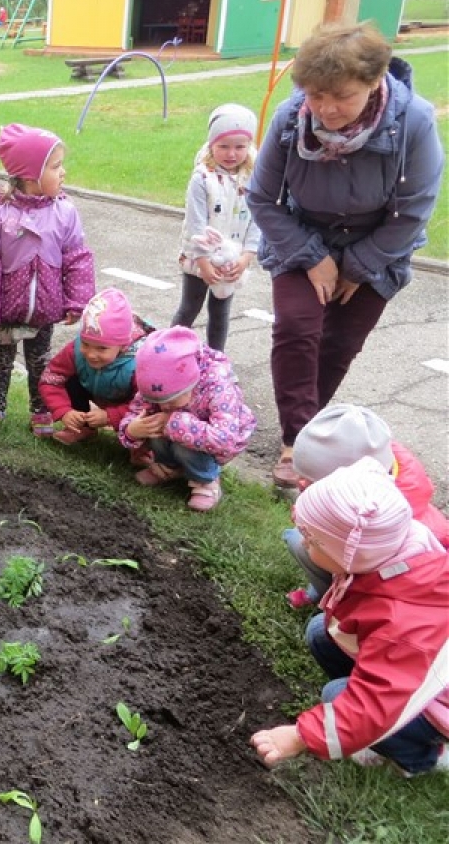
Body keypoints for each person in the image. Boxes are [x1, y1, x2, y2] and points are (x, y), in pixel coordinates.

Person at [246, 21, 445, 490]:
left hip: (380, 245)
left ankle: (315, 437)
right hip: (301, 237)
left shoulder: (413, 121)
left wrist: (359, 265)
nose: (326, 109)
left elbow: (415, 209)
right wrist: (311, 255)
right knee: (298, 329)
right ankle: (296, 442)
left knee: (338, 344)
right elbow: (261, 199)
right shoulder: (290, 118)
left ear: (374, 83)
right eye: (315, 95)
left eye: (341, 96)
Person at [250, 458, 449, 778]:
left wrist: (301, 736)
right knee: (321, 632)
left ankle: (422, 756)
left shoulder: (401, 624)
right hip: (412, 666)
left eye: (312, 540)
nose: (303, 544)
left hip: (434, 699)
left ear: (350, 554)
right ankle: (364, 691)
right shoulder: (394, 545)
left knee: (337, 697)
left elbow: (376, 703)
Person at [0, 123, 95, 436]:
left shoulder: (65, 212)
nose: (63, 172)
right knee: (1, 359)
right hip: (7, 309)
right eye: (55, 167)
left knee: (40, 361)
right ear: (29, 175)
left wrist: (77, 301)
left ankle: (40, 408)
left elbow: (77, 257)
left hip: (45, 308)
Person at [282, 403, 449, 609]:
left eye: (311, 483)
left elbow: (378, 579)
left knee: (318, 633)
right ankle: (324, 590)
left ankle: (341, 606)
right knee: (300, 539)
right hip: (355, 562)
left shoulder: (382, 517)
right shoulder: (378, 461)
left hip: (387, 588)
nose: (301, 484)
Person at [118, 326, 255, 512]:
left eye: (170, 400)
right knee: (153, 425)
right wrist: (132, 430)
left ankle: (205, 480)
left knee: (184, 447)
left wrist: (174, 422)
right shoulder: (155, 386)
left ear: (190, 383)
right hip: (181, 431)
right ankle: (168, 466)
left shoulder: (218, 387)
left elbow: (224, 439)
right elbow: (136, 411)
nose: (164, 406)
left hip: (209, 445)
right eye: (156, 401)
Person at [170, 104, 260, 352]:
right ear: (211, 145)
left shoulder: (254, 178)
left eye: (240, 146)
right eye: (224, 146)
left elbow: (258, 219)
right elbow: (196, 223)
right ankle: (167, 352)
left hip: (232, 260)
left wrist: (246, 256)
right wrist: (203, 263)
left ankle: (216, 359)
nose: (231, 154)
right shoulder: (202, 179)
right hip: (200, 259)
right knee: (190, 307)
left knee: (220, 311)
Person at [39, 287, 153, 453]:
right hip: (98, 391)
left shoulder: (141, 362)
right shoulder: (75, 349)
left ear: (122, 345)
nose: (91, 354)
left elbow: (148, 405)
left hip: (130, 404)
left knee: (145, 419)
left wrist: (110, 416)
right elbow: (51, 379)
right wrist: (64, 411)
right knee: (69, 378)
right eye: (86, 344)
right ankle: (82, 427)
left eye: (102, 348)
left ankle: (142, 446)